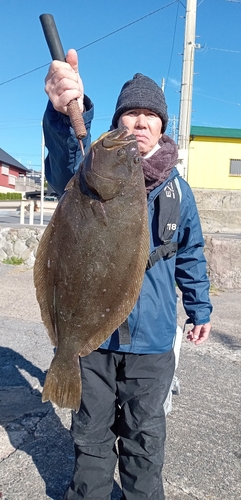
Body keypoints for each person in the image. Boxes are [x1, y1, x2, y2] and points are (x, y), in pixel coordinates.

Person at [43, 49, 212, 500]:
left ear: (162, 126)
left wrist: (200, 308)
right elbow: (62, 163)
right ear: (117, 124)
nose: (138, 122)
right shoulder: (91, 171)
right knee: (91, 437)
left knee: (144, 441)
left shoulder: (178, 190)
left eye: (148, 115)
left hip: (153, 342)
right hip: (93, 343)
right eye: (130, 114)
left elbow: (191, 252)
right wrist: (63, 115)